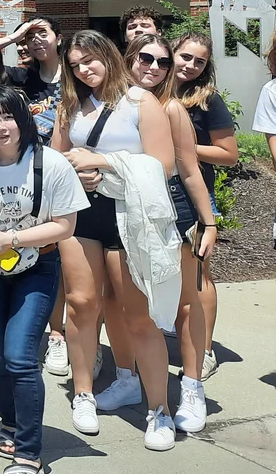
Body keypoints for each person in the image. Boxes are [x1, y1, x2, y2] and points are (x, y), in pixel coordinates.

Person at [52, 30, 179, 450]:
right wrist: (75, 171)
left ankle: (159, 410)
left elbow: (163, 165)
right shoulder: (70, 106)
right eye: (75, 64)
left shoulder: (141, 102)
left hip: (130, 216)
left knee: (136, 314)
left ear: (107, 55)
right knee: (82, 303)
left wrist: (103, 161)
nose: (84, 69)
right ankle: (83, 392)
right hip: (84, 213)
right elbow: (55, 161)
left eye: (90, 59)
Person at [0, 86, 87, 474]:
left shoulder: (50, 164)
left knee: (19, 356)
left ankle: (29, 453)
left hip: (37, 266)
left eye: (7, 116)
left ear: (23, 119)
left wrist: (10, 240)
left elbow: (66, 226)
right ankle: (11, 423)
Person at [121, 34, 216, 433]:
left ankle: (192, 387)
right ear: (129, 59)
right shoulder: (116, 103)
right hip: (126, 208)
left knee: (186, 303)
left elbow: (190, 168)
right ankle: (133, 381)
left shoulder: (171, 108)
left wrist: (209, 222)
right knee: (136, 303)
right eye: (146, 58)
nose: (154, 68)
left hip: (172, 208)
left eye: (162, 63)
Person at [172, 31, 239, 380]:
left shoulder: (207, 100)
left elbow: (229, 155)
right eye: (185, 57)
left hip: (195, 196)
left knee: (198, 275)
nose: (191, 65)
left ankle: (206, 349)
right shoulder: (151, 90)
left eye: (199, 61)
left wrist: (181, 147)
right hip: (154, 196)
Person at [0, 16, 64, 145]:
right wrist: (13, 38)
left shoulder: (76, 77)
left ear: (59, 39)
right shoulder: (21, 77)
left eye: (43, 34)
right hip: (30, 155)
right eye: (30, 37)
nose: (37, 40)